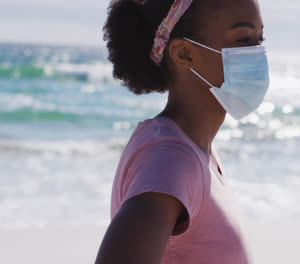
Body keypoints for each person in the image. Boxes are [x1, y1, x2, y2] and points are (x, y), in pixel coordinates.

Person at [95, 0, 269, 263]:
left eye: (260, 37)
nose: (258, 52)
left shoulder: (195, 151)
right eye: (244, 39)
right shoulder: (170, 159)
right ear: (184, 53)